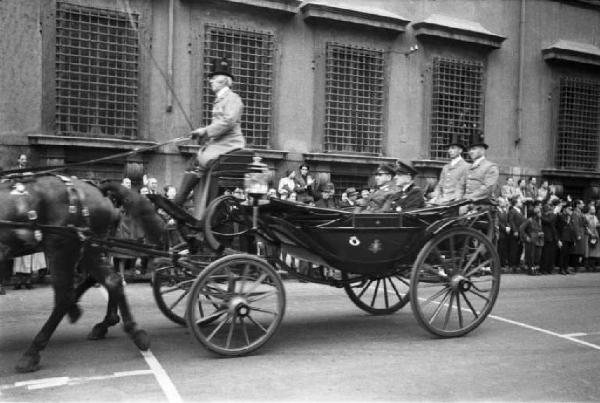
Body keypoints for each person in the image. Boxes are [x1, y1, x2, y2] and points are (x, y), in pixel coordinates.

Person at [174, 57, 245, 219]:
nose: (210, 81)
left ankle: (178, 203)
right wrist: (202, 136)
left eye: (213, 79)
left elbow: (228, 122)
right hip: (221, 143)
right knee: (196, 161)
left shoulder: (233, 99)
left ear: (223, 81)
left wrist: (205, 131)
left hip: (232, 144)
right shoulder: (220, 99)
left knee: (198, 161)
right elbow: (220, 127)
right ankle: (184, 204)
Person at [430, 134, 468, 204]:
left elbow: (464, 188)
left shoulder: (466, 166)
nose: (450, 151)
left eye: (453, 148)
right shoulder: (446, 167)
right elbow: (440, 185)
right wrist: (436, 195)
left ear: (460, 150)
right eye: (449, 148)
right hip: (441, 200)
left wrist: (454, 200)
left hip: (455, 202)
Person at [463, 134, 499, 201]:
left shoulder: (490, 167)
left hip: (481, 205)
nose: (470, 152)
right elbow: (461, 185)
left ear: (482, 150)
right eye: (469, 149)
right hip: (465, 203)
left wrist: (468, 198)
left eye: (474, 149)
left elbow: (487, 188)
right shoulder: (468, 167)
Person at [520, 203, 544, 275]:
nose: (541, 213)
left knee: (538, 256)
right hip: (531, 240)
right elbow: (521, 229)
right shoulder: (529, 220)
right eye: (539, 212)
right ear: (535, 213)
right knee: (531, 257)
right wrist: (526, 237)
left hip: (539, 240)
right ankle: (531, 271)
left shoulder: (540, 220)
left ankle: (535, 270)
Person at [540, 199, 560, 274]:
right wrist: (553, 213)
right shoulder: (543, 216)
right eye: (549, 208)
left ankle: (549, 269)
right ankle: (543, 269)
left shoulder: (552, 215)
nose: (550, 209)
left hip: (552, 237)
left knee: (551, 255)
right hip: (546, 237)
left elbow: (551, 223)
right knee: (545, 254)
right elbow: (547, 220)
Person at [557, 203, 576, 275]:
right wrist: (559, 239)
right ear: (565, 209)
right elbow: (560, 227)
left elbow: (573, 228)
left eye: (571, 209)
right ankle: (561, 269)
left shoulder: (571, 217)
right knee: (563, 254)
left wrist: (574, 239)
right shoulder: (561, 216)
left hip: (570, 238)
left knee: (568, 254)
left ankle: (566, 268)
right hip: (563, 237)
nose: (570, 210)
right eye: (569, 209)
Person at [507, 196, 525, 273]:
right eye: (520, 202)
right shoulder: (512, 210)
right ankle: (512, 265)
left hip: (520, 232)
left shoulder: (520, 210)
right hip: (515, 232)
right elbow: (511, 221)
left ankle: (517, 264)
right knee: (513, 249)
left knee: (519, 248)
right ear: (516, 203)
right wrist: (515, 230)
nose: (521, 203)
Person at [584, 205, 600, 271]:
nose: (594, 210)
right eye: (592, 209)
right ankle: (587, 266)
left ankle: (593, 265)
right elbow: (585, 226)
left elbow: (597, 224)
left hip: (595, 235)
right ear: (589, 210)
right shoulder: (585, 216)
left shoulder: (595, 216)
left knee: (594, 250)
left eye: (594, 209)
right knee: (587, 250)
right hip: (588, 235)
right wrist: (590, 233)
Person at [497, 197, 510, 271]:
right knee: (499, 249)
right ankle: (499, 265)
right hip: (500, 232)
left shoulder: (504, 211)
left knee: (504, 249)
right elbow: (498, 222)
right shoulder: (497, 211)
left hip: (504, 233)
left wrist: (508, 227)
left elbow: (506, 221)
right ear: (499, 203)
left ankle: (503, 264)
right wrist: (505, 228)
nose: (504, 203)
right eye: (502, 202)